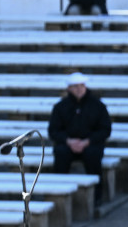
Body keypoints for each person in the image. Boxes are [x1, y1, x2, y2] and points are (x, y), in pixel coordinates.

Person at [48, 72, 111, 206]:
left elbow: (105, 129)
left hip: (90, 144)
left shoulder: (98, 105)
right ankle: (59, 194)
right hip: (68, 144)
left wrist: (87, 141)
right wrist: (68, 141)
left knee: (93, 155)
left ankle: (96, 196)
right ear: (69, 89)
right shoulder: (60, 107)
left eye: (81, 85)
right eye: (75, 86)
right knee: (60, 153)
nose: (79, 89)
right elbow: (53, 130)